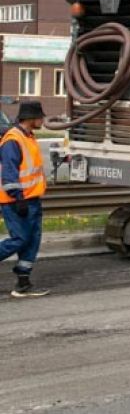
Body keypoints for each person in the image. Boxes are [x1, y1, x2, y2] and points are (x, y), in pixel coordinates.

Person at [0, 102, 50, 297]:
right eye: (40, 117)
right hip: (16, 201)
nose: (42, 120)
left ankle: (23, 283)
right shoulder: (13, 140)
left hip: (32, 200)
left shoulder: (29, 137)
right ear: (31, 118)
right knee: (20, 239)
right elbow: (10, 173)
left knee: (31, 241)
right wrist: (18, 198)